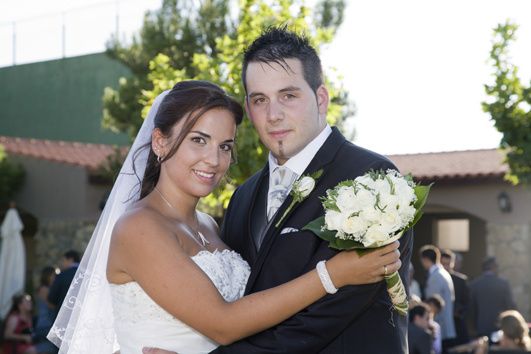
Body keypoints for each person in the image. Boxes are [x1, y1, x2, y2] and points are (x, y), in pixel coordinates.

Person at [47, 80, 401, 354]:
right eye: (198, 140)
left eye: (225, 146)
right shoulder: (139, 227)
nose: (214, 160)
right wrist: (333, 274)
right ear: (160, 142)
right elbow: (223, 324)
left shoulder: (211, 226)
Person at [146, 26, 413, 354]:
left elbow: (320, 322)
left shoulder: (373, 180)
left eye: (288, 96)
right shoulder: (242, 198)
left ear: (321, 98)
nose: (273, 115)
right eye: (260, 100)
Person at [469, 256, 516, 338]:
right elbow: (510, 306)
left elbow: (471, 309)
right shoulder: (503, 284)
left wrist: (472, 329)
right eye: (497, 266)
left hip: (480, 328)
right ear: (493, 267)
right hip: (500, 327)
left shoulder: (474, 284)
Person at [420, 245, 456, 352]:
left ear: (425, 260)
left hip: (441, 329)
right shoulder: (444, 273)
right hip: (447, 327)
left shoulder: (436, 277)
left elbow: (432, 306)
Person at [440, 249, 469, 345]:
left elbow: (467, 302)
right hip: (441, 322)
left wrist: (458, 312)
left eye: (448, 264)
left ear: (453, 263)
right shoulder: (435, 279)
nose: (446, 267)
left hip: (457, 323)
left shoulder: (461, 280)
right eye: (443, 264)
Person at [47, 250, 80, 320]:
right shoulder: (87, 274)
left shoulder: (62, 275)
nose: (62, 263)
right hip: (80, 316)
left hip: (63, 316)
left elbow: (52, 298)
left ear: (70, 259)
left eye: (63, 260)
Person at [33, 267, 57, 354]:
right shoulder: (44, 289)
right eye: (53, 275)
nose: (55, 277)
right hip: (45, 322)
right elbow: (50, 305)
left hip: (46, 322)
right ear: (48, 276)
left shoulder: (44, 288)